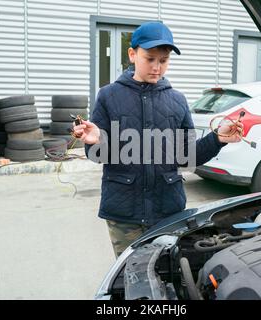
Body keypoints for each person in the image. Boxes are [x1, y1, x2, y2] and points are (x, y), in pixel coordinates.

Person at [73, 22, 243, 258]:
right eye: (150, 58)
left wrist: (218, 138)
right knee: (128, 278)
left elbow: (188, 157)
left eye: (163, 60)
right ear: (132, 55)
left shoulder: (177, 100)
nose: (156, 67)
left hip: (168, 211)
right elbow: (97, 156)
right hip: (124, 215)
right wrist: (95, 142)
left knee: (167, 273)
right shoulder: (109, 96)